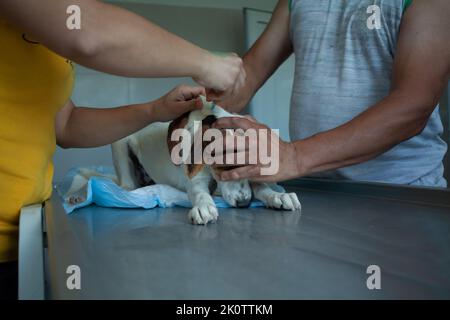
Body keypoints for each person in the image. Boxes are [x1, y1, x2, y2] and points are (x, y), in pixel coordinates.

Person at [0, 0, 245, 299]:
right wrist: (206, 62)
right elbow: (85, 31)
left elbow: (64, 125)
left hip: (20, 235)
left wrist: (154, 110)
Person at [211, 0, 450, 187]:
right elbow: (248, 75)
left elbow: (414, 105)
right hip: (316, 185)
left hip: (400, 190)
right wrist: (201, 107)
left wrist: (293, 157)